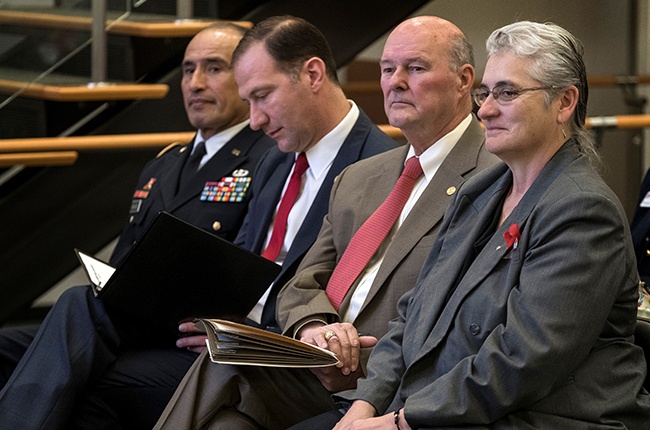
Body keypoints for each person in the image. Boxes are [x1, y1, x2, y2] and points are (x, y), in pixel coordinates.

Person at [0, 16, 397, 430]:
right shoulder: (275, 159)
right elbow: (240, 263)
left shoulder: (379, 168)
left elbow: (356, 301)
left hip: (273, 357)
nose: (256, 120)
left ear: (313, 74)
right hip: (222, 334)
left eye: (263, 96)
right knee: (80, 307)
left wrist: (244, 332)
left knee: (93, 377)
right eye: (249, 102)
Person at [295, 21, 650, 430]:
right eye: (486, 93)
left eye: (508, 93)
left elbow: (522, 360)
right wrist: (366, 406)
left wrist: (398, 422)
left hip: (539, 417)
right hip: (442, 406)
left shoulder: (584, 210)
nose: (486, 109)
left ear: (565, 102)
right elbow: (411, 316)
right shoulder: (479, 192)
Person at [153, 15, 499, 430]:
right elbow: (299, 283)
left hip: (392, 384)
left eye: (416, 68)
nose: (395, 82)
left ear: (464, 81)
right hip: (315, 367)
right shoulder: (359, 177)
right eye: (388, 69)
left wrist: (356, 357)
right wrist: (315, 327)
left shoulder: (494, 179)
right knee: (223, 375)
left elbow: (462, 321)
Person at [0, 19, 276, 419]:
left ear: (248, 76)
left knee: (77, 307)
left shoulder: (267, 158)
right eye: (187, 70)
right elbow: (124, 258)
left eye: (214, 68)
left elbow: (245, 267)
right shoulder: (162, 164)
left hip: (179, 333)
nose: (195, 83)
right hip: (118, 321)